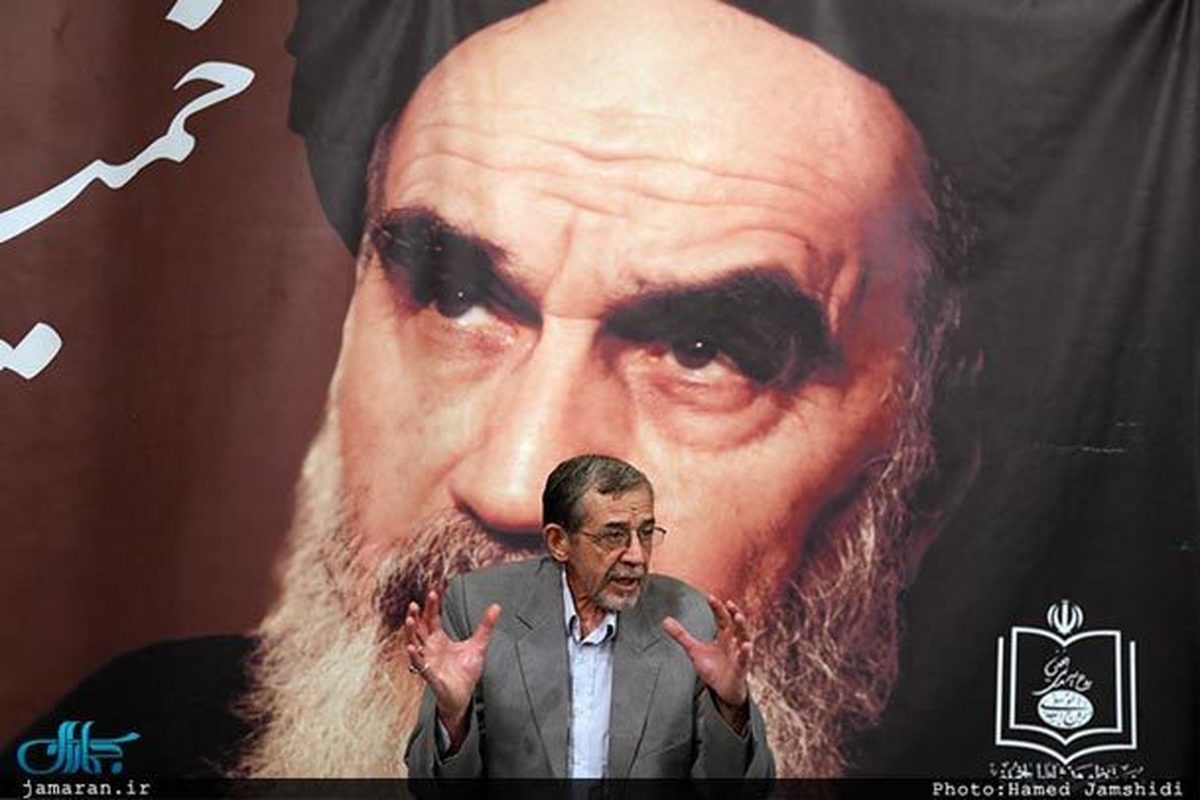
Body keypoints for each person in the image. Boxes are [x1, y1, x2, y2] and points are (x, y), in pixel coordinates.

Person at [3, 0, 970, 780]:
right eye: (458, 298)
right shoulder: (131, 739)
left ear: (919, 486)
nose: (515, 486)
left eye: (701, 349)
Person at [402, 454, 774, 779]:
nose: (637, 556)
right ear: (559, 542)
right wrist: (453, 715)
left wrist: (731, 708)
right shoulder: (478, 605)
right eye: (614, 535)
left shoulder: (686, 616)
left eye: (646, 533)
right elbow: (429, 784)